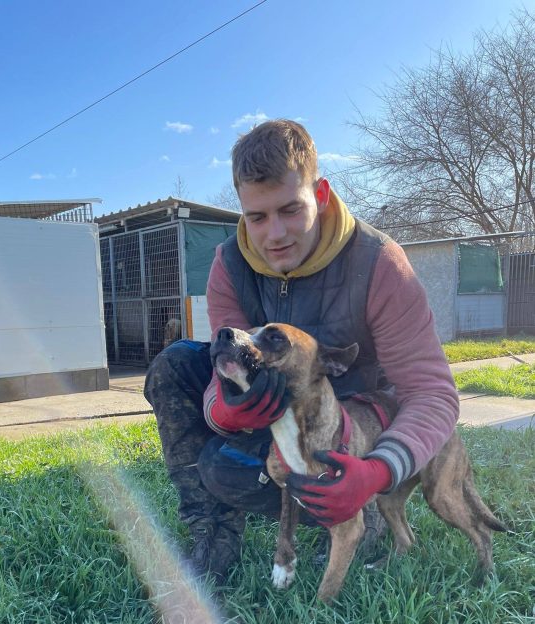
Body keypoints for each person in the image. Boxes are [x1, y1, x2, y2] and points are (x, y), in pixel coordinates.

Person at [144, 119, 459, 584]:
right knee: (175, 368)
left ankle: (362, 511)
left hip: (352, 419)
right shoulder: (229, 265)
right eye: (256, 217)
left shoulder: (380, 262)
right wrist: (226, 408)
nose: (274, 234)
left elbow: (432, 394)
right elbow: (219, 372)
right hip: (274, 412)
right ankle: (214, 534)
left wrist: (378, 470)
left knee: (247, 466)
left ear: (321, 194)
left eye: (290, 209)